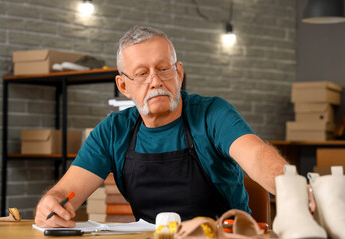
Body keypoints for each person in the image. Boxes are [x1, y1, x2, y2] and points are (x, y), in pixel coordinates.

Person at [35, 26, 288, 228]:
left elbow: (256, 155)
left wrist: (293, 189)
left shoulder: (212, 114)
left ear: (178, 73)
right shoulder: (113, 131)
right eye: (142, 73)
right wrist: (51, 204)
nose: (156, 81)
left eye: (163, 69)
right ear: (124, 86)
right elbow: (66, 193)